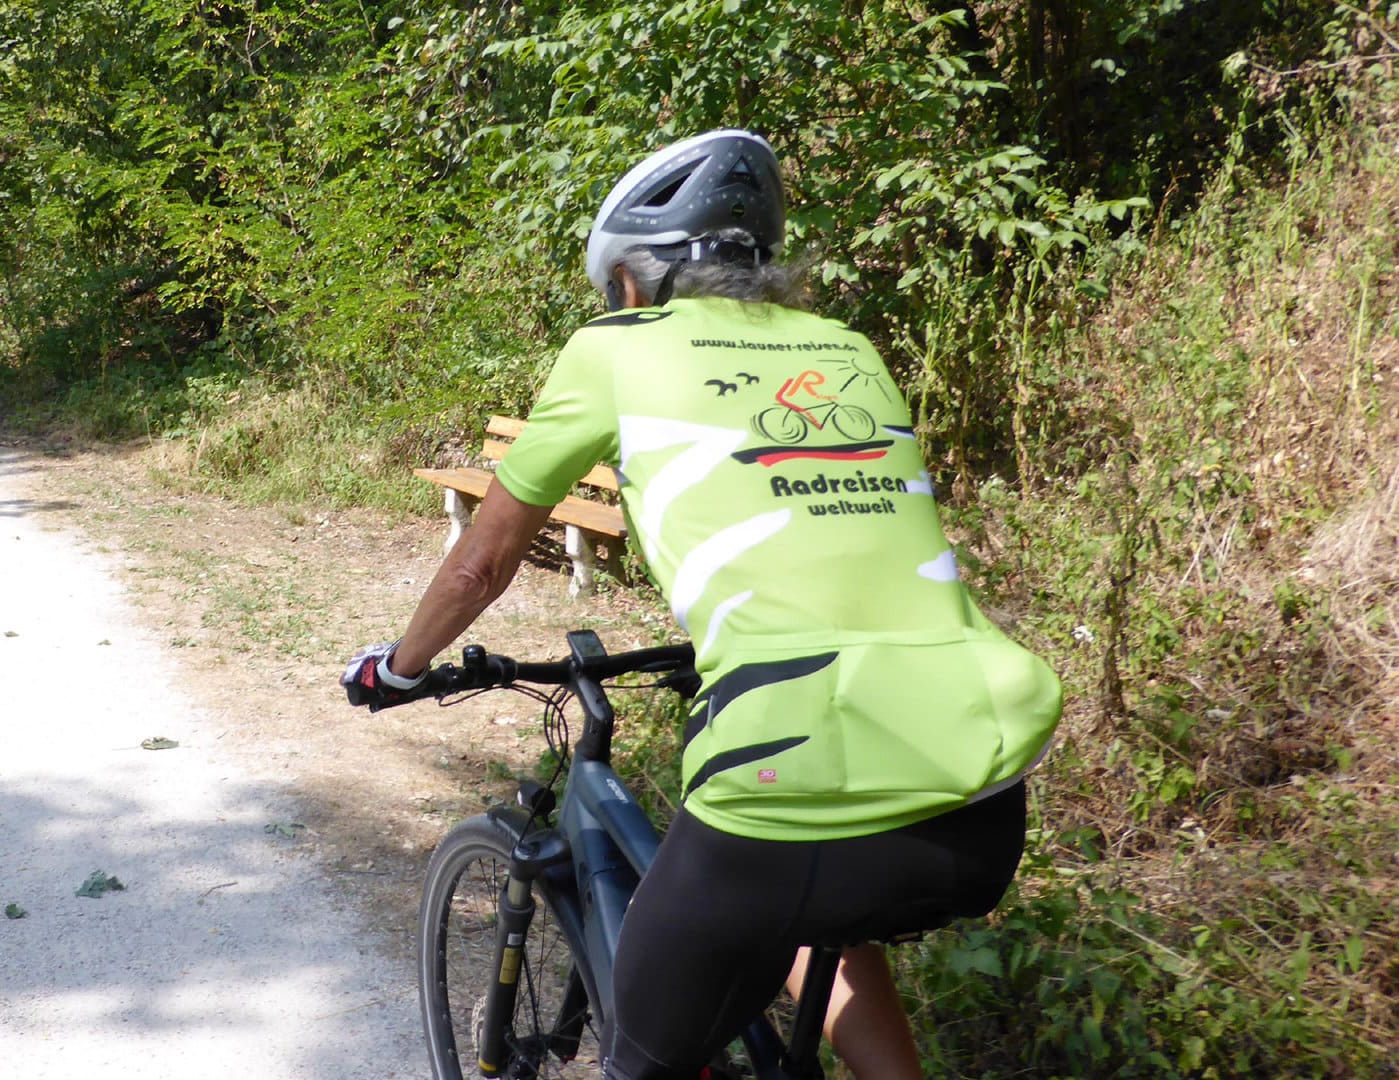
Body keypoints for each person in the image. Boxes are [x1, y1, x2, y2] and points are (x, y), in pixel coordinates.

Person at [343, 129, 1062, 1079]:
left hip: (800, 764)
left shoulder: (615, 348)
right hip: (981, 781)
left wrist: (395, 667)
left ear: (634, 283)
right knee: (827, 928)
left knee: (643, 1061)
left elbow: (484, 559)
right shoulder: (845, 346)